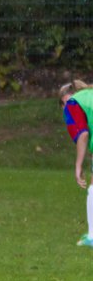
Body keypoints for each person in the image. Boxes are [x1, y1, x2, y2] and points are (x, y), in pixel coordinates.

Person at [59, 80, 93, 247]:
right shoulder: (88, 97)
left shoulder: (73, 105)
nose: (67, 106)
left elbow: (84, 134)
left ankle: (92, 237)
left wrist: (78, 165)